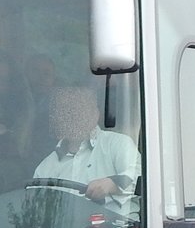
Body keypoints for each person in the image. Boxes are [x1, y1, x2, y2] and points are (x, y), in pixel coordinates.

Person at [33, 86, 140, 214]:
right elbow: (35, 209)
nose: (72, 117)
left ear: (95, 115)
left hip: (120, 225)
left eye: (79, 110)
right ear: (57, 119)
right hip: (63, 226)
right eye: (66, 111)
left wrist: (112, 184)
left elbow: (143, 175)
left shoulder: (117, 143)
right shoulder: (45, 168)